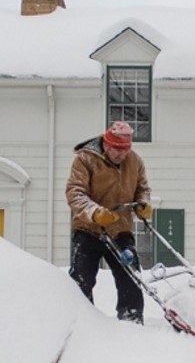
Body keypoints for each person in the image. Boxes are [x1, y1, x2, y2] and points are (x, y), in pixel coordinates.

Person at [65, 121, 153, 324]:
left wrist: (143, 203)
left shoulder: (135, 161)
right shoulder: (85, 159)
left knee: (131, 277)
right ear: (107, 143)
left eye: (126, 149)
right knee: (81, 279)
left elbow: (143, 189)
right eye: (117, 149)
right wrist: (95, 213)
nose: (121, 154)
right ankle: (80, 322)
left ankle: (132, 320)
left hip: (120, 229)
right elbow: (75, 193)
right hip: (89, 229)